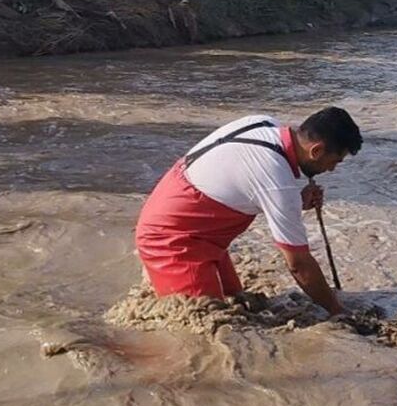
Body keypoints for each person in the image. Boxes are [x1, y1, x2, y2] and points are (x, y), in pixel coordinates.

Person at [134, 107, 362, 315]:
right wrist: (338, 311)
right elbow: (298, 264)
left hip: (189, 220)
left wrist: (295, 201)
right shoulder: (277, 181)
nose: (331, 169)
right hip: (170, 237)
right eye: (335, 161)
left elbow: (242, 183)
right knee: (208, 324)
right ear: (317, 150)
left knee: (238, 302)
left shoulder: (264, 124)